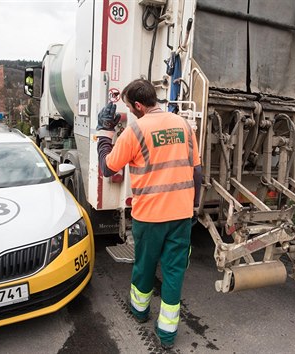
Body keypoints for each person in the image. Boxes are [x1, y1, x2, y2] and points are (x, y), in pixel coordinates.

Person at [96, 79, 201, 349]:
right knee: (175, 271)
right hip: (181, 215)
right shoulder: (184, 126)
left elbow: (108, 168)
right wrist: (194, 208)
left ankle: (140, 312)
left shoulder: (135, 131)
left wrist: (104, 132)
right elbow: (196, 172)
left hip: (149, 217)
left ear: (140, 106)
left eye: (131, 107)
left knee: (144, 266)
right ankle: (167, 334)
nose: (130, 111)